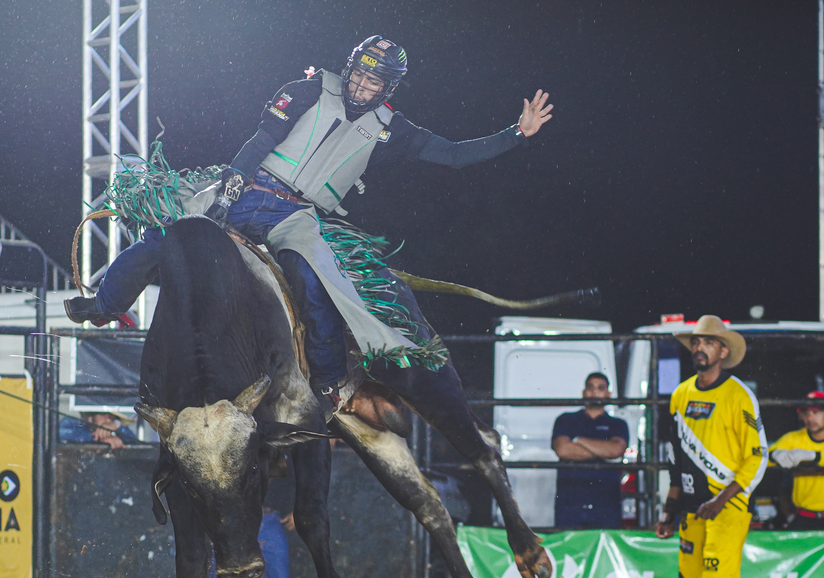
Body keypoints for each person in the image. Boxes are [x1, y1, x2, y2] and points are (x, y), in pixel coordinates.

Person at [66, 36, 552, 418]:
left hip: (296, 212)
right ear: (350, 68)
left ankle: (327, 382)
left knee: (315, 278)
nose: (361, 85)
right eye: (359, 74)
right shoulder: (306, 90)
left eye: (373, 81)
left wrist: (517, 134)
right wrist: (232, 183)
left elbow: (453, 154)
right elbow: (263, 138)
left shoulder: (392, 128)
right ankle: (106, 304)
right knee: (168, 234)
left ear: (387, 88)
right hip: (249, 186)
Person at [655, 316, 768, 578]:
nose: (699, 348)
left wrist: (723, 498)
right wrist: (669, 511)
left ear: (723, 351)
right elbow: (676, 459)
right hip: (693, 508)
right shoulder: (681, 394)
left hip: (727, 506)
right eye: (695, 342)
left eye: (707, 342)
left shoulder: (739, 395)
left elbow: (758, 456)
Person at [551, 372, 629, 528]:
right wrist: (602, 450)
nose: (595, 392)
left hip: (606, 505)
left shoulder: (618, 424)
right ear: (583, 392)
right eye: (590, 387)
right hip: (570, 505)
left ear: (608, 394)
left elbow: (615, 450)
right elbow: (563, 450)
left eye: (600, 388)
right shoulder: (565, 419)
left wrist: (578, 440)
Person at [770, 390, 824, 529]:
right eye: (806, 413)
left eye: (816, 412)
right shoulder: (794, 438)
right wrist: (774, 454)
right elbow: (764, 454)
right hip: (803, 517)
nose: (810, 418)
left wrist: (814, 456)